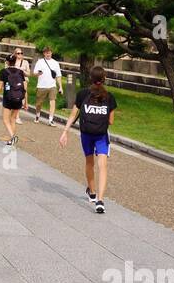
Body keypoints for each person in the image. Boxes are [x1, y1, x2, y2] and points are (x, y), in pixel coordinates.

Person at [59, 65, 118, 215]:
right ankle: (100, 200)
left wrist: (65, 132)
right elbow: (111, 121)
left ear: (90, 78)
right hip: (101, 135)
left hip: (86, 134)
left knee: (89, 162)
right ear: (104, 79)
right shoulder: (109, 97)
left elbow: (73, 114)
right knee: (103, 166)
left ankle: (92, 192)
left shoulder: (83, 94)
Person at [0, 54, 28, 147]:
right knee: (13, 119)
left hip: (8, 99)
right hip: (18, 99)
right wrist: (25, 102)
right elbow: (25, 88)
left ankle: (13, 137)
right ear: (15, 61)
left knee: (5, 120)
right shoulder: (20, 72)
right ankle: (11, 141)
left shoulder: (3, 72)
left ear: (7, 62)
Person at [32, 46, 62, 126]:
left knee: (53, 101)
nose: (48, 54)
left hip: (52, 86)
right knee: (39, 103)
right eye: (46, 52)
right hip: (41, 86)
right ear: (44, 54)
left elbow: (58, 76)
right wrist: (38, 73)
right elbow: (34, 73)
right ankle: (37, 115)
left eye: (49, 52)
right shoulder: (40, 62)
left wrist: (60, 87)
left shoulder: (56, 63)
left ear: (51, 52)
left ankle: (50, 120)